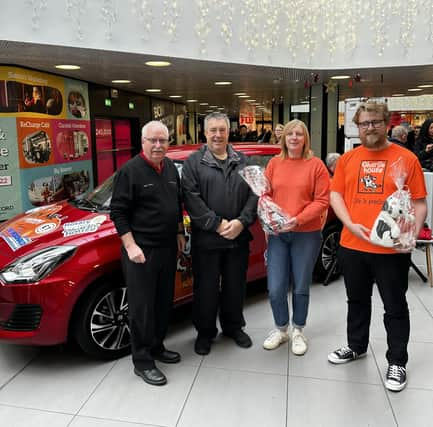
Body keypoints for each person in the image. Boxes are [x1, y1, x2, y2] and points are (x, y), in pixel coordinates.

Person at [327, 101, 427, 392]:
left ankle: (397, 361)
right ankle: (356, 346)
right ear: (356, 127)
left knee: (395, 306)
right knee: (356, 301)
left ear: (386, 123)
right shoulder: (348, 159)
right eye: (364, 123)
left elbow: (419, 203)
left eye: (375, 122)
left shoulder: (406, 159)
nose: (369, 127)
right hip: (352, 244)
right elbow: (336, 197)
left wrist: (411, 235)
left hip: (390, 250)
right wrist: (349, 223)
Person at [110, 121, 186, 386]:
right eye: (152, 140)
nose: (158, 145)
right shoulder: (130, 171)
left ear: (168, 142)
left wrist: (179, 233)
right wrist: (131, 246)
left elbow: (177, 205)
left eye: (162, 140)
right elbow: (117, 212)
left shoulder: (170, 170)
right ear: (142, 142)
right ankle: (142, 361)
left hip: (166, 248)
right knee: (142, 308)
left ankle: (156, 346)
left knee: (163, 302)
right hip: (141, 251)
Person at [181, 112, 258, 355]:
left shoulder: (243, 161)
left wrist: (241, 223)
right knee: (205, 290)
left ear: (228, 132)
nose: (217, 135)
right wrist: (216, 224)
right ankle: (205, 333)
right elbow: (191, 199)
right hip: (207, 241)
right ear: (205, 133)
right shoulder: (194, 163)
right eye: (212, 130)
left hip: (238, 238)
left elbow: (255, 195)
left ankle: (234, 327)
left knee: (236, 287)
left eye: (221, 130)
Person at [262, 119, 330, 354]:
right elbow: (265, 196)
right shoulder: (273, 164)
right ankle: (282, 329)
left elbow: (322, 200)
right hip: (279, 235)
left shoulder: (316, 166)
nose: (293, 138)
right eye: (290, 133)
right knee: (275, 287)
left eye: (299, 134)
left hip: (306, 234)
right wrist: (269, 218)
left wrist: (298, 219)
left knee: (300, 285)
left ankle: (298, 330)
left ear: (305, 138)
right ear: (283, 138)